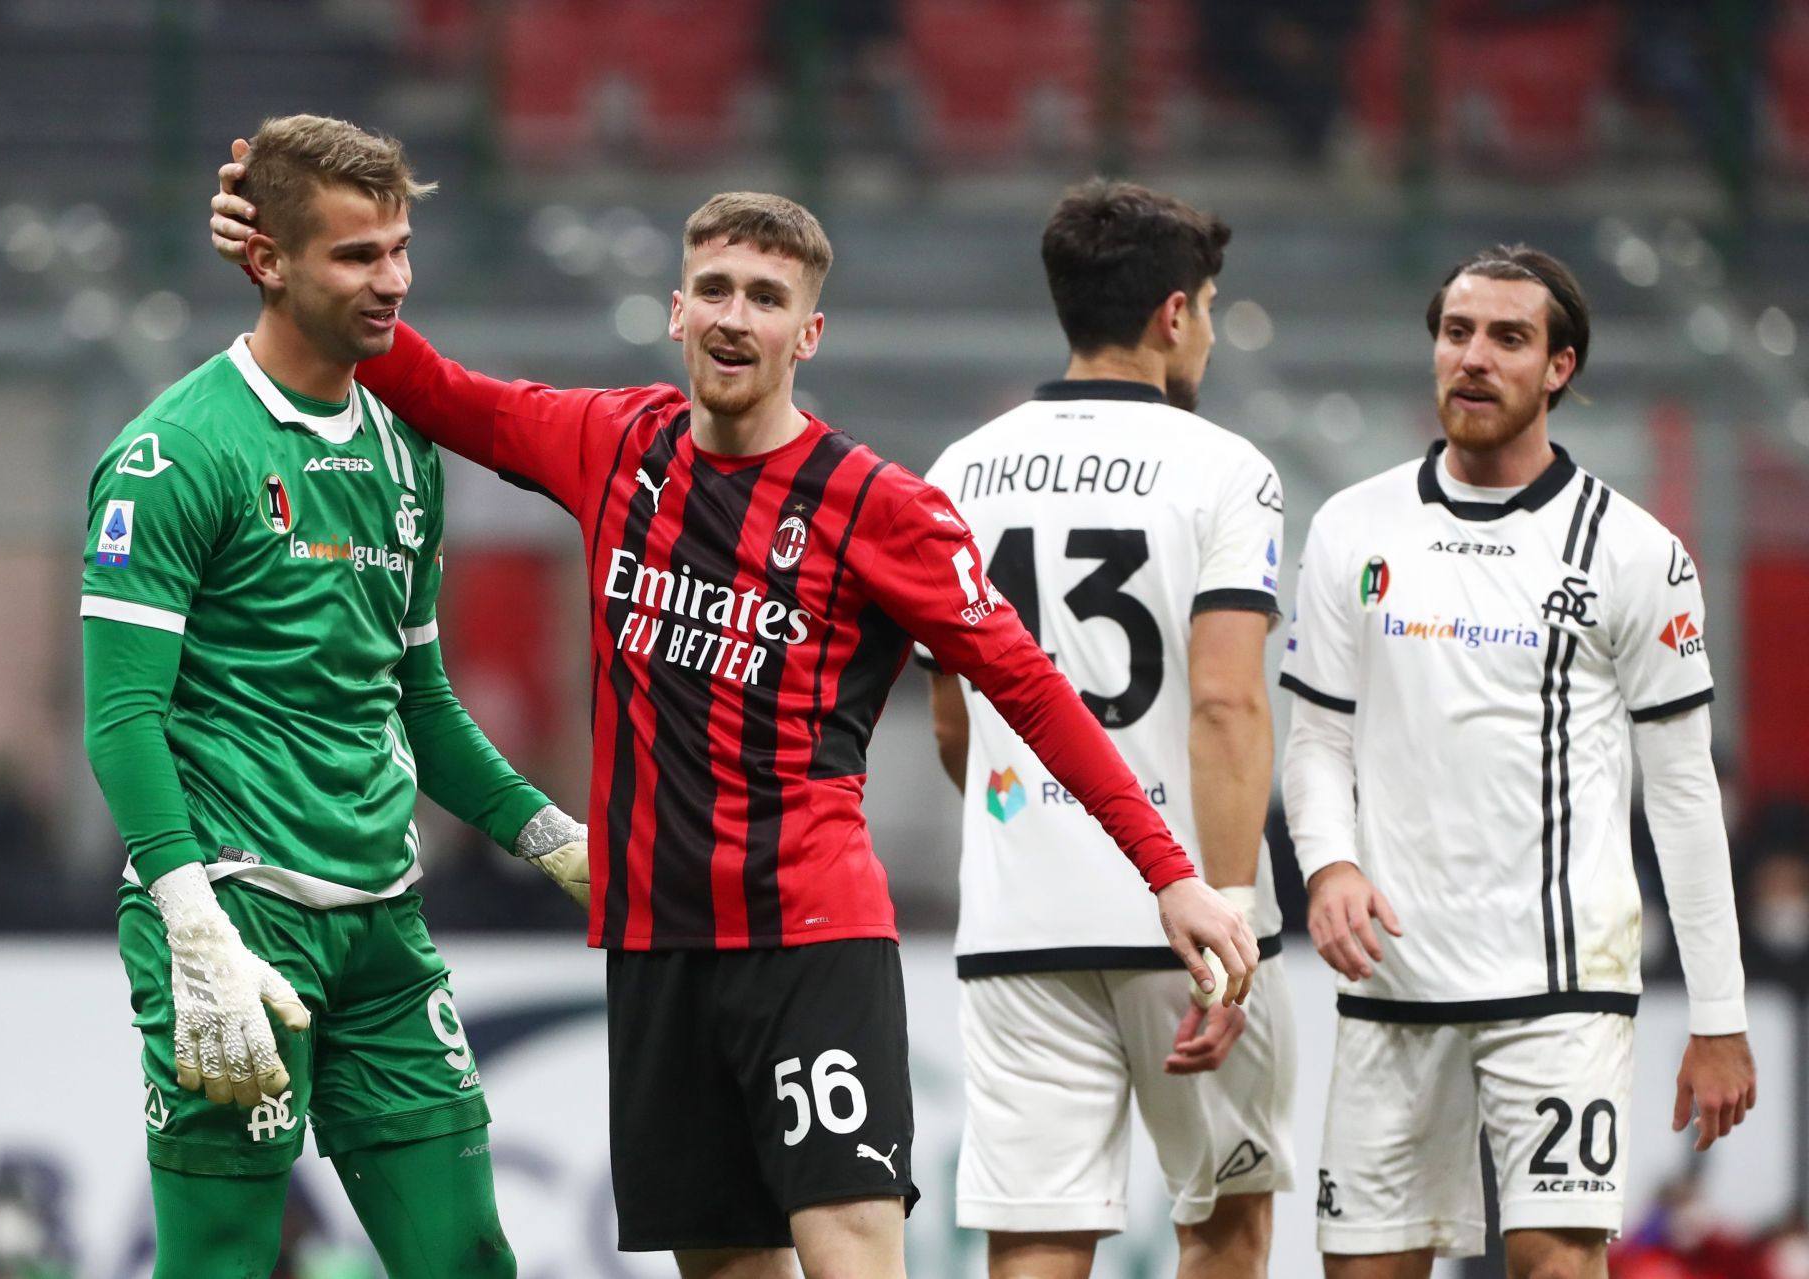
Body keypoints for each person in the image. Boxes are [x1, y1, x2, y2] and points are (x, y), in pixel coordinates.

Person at [208, 151, 1260, 1279]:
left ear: (807, 336)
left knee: (852, 1247)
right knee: (718, 1264)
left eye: (767, 299)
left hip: (809, 934)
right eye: (714, 288)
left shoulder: (878, 507)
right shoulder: (613, 443)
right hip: (657, 945)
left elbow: (1031, 689)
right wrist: (288, 258)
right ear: (676, 310)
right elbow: (431, 387)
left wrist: (1171, 872)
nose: (735, 315)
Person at [83, 115, 586, 1279]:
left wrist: (553, 838)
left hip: (383, 921)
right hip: (232, 915)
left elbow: (421, 700)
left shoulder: (407, 447)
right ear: (268, 262)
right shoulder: (173, 455)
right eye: (358, 256)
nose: (393, 280)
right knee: (222, 1261)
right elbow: (121, 720)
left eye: (401, 248)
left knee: (467, 1254)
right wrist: (190, 917)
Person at [1280, 244, 1757, 1279]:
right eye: (1457, 333)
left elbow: (1682, 794)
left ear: (1560, 368)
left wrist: (1718, 1015)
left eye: (1508, 337)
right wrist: (1329, 864)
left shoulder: (1636, 553)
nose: (1476, 357)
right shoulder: (1352, 527)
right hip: (1391, 978)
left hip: (1560, 985)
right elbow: (1316, 734)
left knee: (1552, 1263)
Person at [918, 179, 1294, 1279]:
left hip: (1021, 910)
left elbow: (953, 719)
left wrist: (1029, 825)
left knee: (1037, 1232)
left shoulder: (958, 471)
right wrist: (1226, 911)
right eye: (1211, 310)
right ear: (1175, 313)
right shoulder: (1225, 467)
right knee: (1224, 1219)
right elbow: (1226, 702)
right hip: (1191, 907)